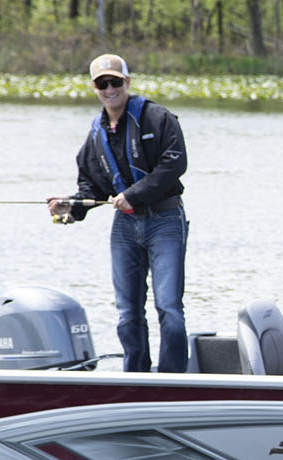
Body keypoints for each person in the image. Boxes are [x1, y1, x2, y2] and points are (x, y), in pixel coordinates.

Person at [48, 54, 190, 373]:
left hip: (165, 221)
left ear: (128, 82)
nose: (109, 89)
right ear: (95, 88)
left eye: (115, 82)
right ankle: (135, 376)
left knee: (169, 307)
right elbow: (91, 185)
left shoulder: (158, 118)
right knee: (127, 312)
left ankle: (173, 378)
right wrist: (69, 205)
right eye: (102, 84)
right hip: (124, 228)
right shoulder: (96, 132)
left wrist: (133, 195)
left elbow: (175, 164)